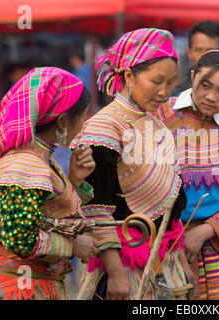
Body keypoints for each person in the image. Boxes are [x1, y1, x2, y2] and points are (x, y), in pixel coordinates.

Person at [73, 28, 195, 300]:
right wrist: (116, 274)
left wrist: (181, 261)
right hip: (123, 266)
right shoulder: (104, 128)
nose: (164, 92)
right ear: (129, 75)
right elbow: (96, 208)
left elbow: (172, 205)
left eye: (171, 83)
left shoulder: (157, 126)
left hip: (165, 262)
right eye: (156, 81)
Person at [0, 67, 98, 300]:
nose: (85, 125)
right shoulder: (24, 165)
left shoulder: (39, 156)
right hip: (16, 290)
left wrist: (75, 179)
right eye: (83, 117)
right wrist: (72, 246)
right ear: (63, 121)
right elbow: (19, 238)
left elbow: (46, 214)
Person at [154, 48, 219, 300]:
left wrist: (203, 232)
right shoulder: (159, 114)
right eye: (205, 85)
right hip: (155, 243)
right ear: (192, 76)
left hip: (208, 250)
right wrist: (172, 234)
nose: (210, 97)